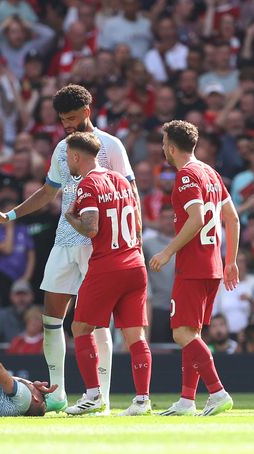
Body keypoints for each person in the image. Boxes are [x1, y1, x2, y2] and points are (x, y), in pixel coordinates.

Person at [0, 85, 139, 413]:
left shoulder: (111, 146)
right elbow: (49, 191)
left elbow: (130, 194)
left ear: (88, 112)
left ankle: (101, 397)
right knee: (51, 317)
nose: (67, 125)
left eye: (73, 118)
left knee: (96, 322)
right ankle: (58, 393)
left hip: (99, 245)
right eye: (63, 119)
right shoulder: (62, 148)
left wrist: (134, 241)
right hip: (65, 241)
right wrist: (8, 215)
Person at [149, 120, 239, 417]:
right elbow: (233, 219)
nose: (163, 148)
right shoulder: (210, 172)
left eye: (164, 144)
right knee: (192, 333)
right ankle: (187, 400)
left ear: (171, 147)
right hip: (213, 265)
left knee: (181, 334)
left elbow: (197, 218)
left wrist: (167, 251)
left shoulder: (186, 175)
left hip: (193, 265)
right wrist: (231, 261)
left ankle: (217, 391)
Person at [61, 132, 152, 416]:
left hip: (107, 265)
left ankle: (93, 396)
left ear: (77, 156)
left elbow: (91, 228)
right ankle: (142, 400)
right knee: (135, 335)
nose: (67, 162)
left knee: (80, 328)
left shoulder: (88, 185)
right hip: (135, 262)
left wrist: (70, 217)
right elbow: (137, 222)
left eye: (68, 157)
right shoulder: (121, 180)